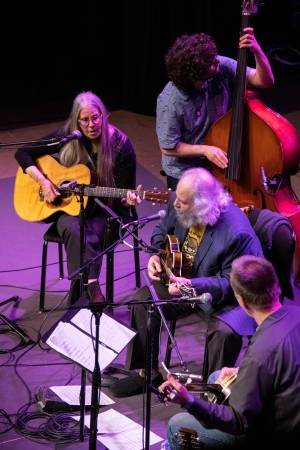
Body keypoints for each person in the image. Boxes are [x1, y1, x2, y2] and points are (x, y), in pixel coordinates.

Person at [109, 168, 262, 398]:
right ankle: (147, 373)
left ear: (202, 205)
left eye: (183, 202)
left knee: (223, 334)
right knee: (143, 300)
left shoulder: (235, 233)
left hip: (229, 297)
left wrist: (192, 284)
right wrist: (157, 254)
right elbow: (162, 230)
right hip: (186, 277)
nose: (175, 205)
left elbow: (229, 283)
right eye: (177, 199)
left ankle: (210, 397)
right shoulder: (179, 200)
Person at [160, 255, 300, 449]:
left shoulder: (261, 352)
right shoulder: (295, 314)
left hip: (272, 433)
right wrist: (241, 372)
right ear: (276, 286)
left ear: (240, 300)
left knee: (178, 427)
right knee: (217, 378)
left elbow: (239, 422)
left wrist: (188, 400)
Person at [15, 91, 140, 304]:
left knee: (91, 232)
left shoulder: (120, 145)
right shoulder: (68, 136)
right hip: (73, 207)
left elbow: (125, 194)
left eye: (95, 117)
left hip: (107, 209)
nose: (91, 124)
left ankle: (82, 293)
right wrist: (44, 182)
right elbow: (23, 154)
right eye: (85, 120)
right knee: (74, 227)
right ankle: (90, 287)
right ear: (76, 121)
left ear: (103, 115)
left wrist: (128, 199)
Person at [156, 28, 274, 189]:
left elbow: (264, 81)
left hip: (217, 163)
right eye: (211, 63)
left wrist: (257, 51)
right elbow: (168, 147)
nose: (217, 60)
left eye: (214, 57)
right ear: (196, 76)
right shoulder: (170, 101)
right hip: (185, 172)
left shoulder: (220, 65)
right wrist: (205, 150)